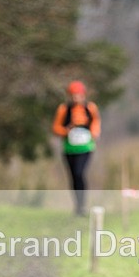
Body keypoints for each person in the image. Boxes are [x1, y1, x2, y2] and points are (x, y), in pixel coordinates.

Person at [52, 80, 101, 215]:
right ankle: (78, 206)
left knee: (80, 173)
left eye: (78, 95)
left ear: (83, 95)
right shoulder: (64, 109)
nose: (76, 98)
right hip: (69, 149)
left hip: (85, 148)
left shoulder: (90, 108)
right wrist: (66, 131)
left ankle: (83, 204)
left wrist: (93, 133)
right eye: (73, 95)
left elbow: (95, 124)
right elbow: (56, 128)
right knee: (73, 177)